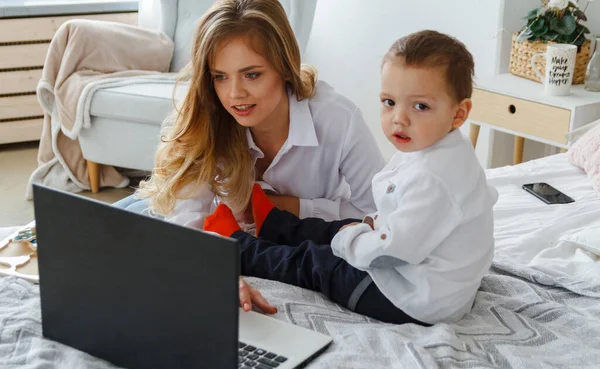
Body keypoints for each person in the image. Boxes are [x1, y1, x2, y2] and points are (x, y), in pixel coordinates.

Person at [202, 30, 499, 325]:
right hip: (421, 272)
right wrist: (356, 231)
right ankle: (274, 223)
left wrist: (346, 243)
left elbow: (391, 250)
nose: (399, 118)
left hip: (411, 297)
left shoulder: (435, 178)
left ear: (459, 114)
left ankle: (243, 248)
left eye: (420, 106)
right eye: (389, 102)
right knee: (342, 228)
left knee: (316, 263)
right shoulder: (442, 150)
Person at [125, 0, 385, 313]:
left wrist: (291, 208)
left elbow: (378, 215)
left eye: (251, 75)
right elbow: (187, 222)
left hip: (314, 244)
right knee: (125, 230)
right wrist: (217, 274)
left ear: (284, 67)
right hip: (233, 239)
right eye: (220, 76)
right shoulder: (210, 116)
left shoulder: (338, 118)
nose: (234, 94)